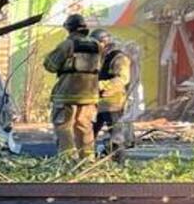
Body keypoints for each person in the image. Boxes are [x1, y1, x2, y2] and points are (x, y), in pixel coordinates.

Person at [42, 14, 102, 157]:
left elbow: (50, 65)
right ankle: (87, 161)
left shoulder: (67, 45)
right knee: (85, 127)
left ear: (69, 29)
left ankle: (67, 160)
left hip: (67, 94)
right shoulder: (97, 45)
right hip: (90, 95)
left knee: (64, 127)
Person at [93, 31, 132, 159]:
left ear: (104, 42)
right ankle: (89, 160)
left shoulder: (119, 58)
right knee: (88, 134)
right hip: (98, 103)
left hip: (113, 104)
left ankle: (118, 164)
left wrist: (100, 85)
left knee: (116, 137)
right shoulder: (100, 57)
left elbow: (122, 79)